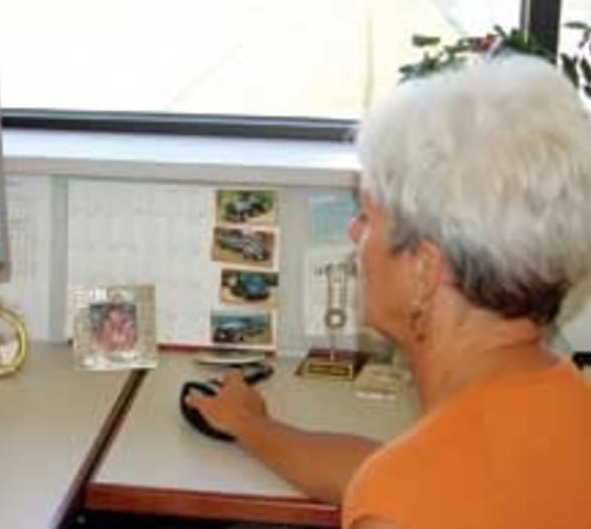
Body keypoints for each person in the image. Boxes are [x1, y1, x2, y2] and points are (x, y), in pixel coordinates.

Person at [186, 55, 591, 529]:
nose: (355, 234)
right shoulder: (567, 404)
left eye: (368, 218)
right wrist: (252, 427)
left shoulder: (397, 505)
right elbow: (405, 475)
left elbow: (406, 488)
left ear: (424, 270)